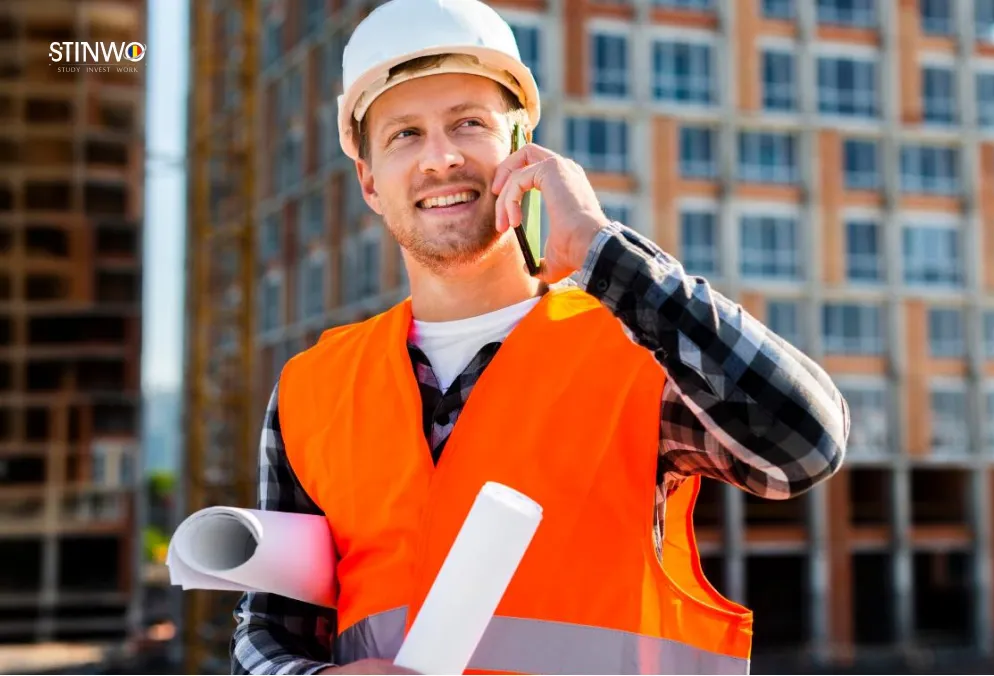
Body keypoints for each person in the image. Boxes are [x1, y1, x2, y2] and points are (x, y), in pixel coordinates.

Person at [230, 0, 850, 673]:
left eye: (468, 124)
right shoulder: (313, 389)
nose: (440, 159)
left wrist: (601, 252)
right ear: (369, 180)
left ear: (522, 145)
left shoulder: (632, 348)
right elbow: (268, 632)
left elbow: (805, 448)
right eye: (404, 134)